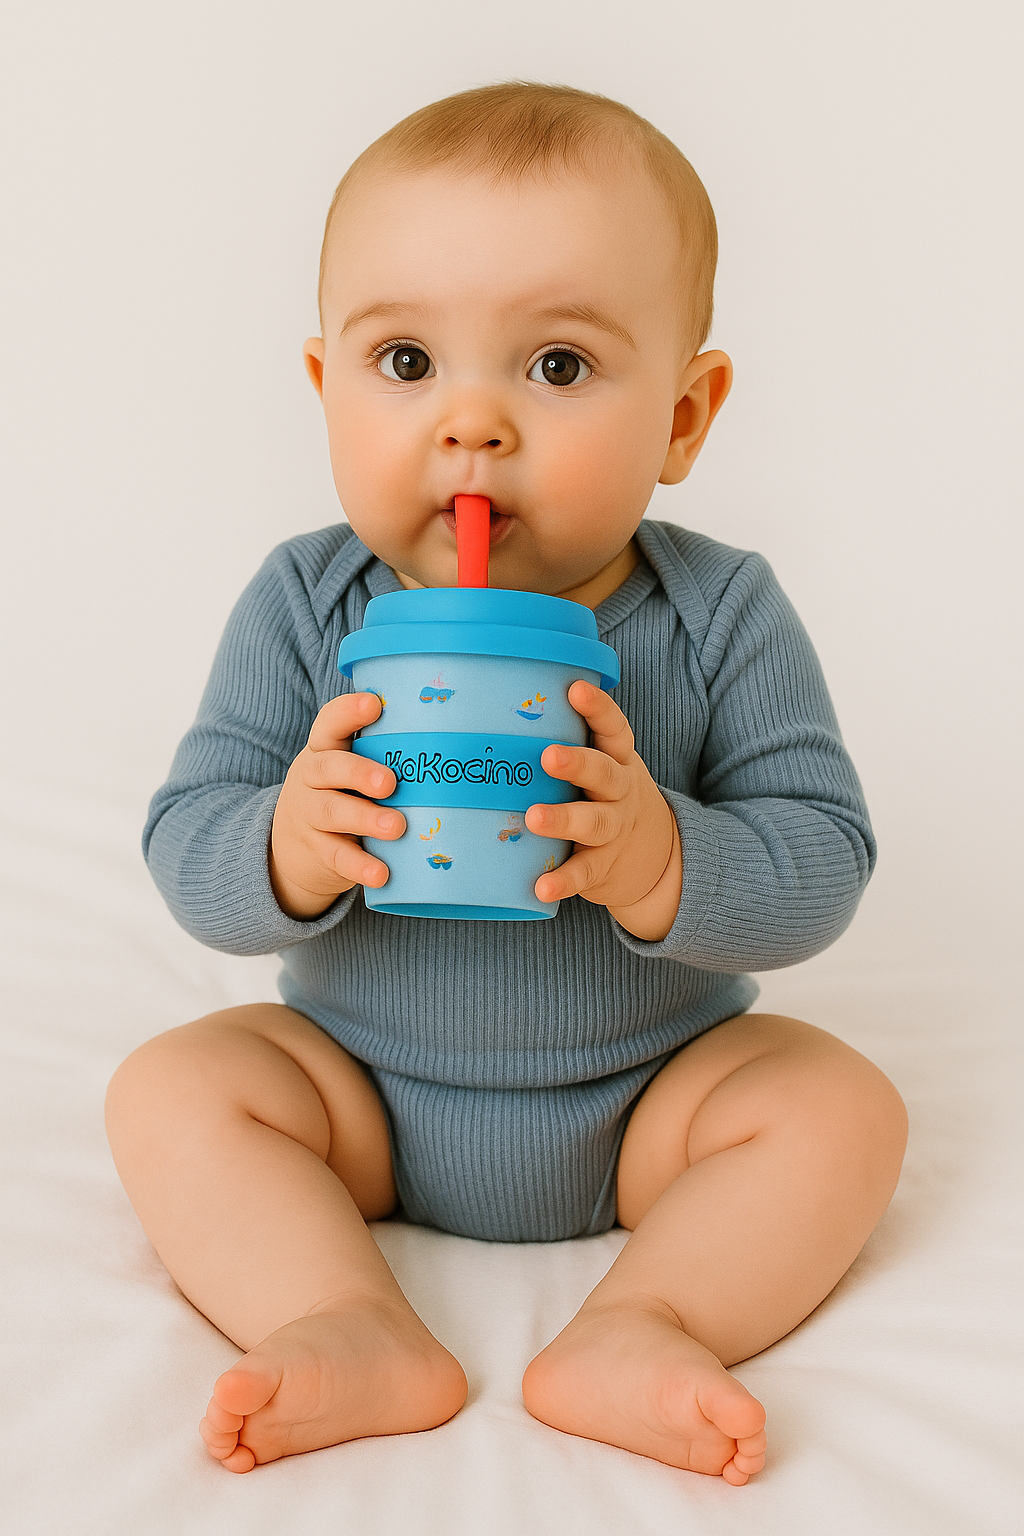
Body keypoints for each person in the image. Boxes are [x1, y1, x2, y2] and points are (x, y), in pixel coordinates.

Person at [105, 82, 908, 1483]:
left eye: (557, 365)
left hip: (651, 1103)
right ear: (326, 393)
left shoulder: (720, 615)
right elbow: (188, 846)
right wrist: (287, 844)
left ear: (684, 416)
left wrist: (664, 861)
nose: (471, 423)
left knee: (840, 1107)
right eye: (407, 360)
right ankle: (339, 1313)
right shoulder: (305, 603)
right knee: (174, 1088)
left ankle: (648, 1321)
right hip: (359, 1098)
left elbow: (823, 859)